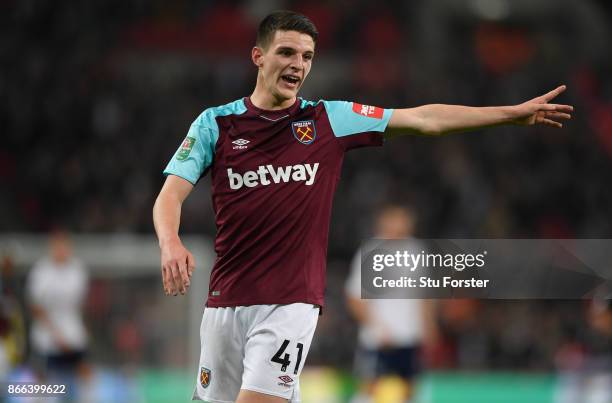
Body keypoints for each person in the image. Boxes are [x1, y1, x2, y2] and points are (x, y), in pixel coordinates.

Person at [152, 10, 573, 403]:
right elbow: (170, 195)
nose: (298, 64)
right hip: (224, 301)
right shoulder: (216, 123)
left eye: (307, 56)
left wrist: (509, 115)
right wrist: (170, 242)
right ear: (258, 57)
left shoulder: (328, 120)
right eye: (286, 52)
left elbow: (423, 119)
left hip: (290, 302)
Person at [345, 205, 437, 403]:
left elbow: (425, 294)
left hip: (410, 335)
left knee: (410, 391)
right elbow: (354, 298)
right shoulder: (369, 252)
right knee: (369, 390)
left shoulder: (417, 251)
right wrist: (377, 327)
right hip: (377, 338)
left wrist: (429, 326)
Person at [26, 230, 89, 384]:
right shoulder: (41, 271)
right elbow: (35, 306)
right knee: (41, 377)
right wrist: (56, 335)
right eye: (58, 247)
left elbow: (79, 305)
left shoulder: (77, 270)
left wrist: (74, 332)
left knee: (84, 373)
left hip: (72, 333)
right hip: (45, 334)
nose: (62, 251)